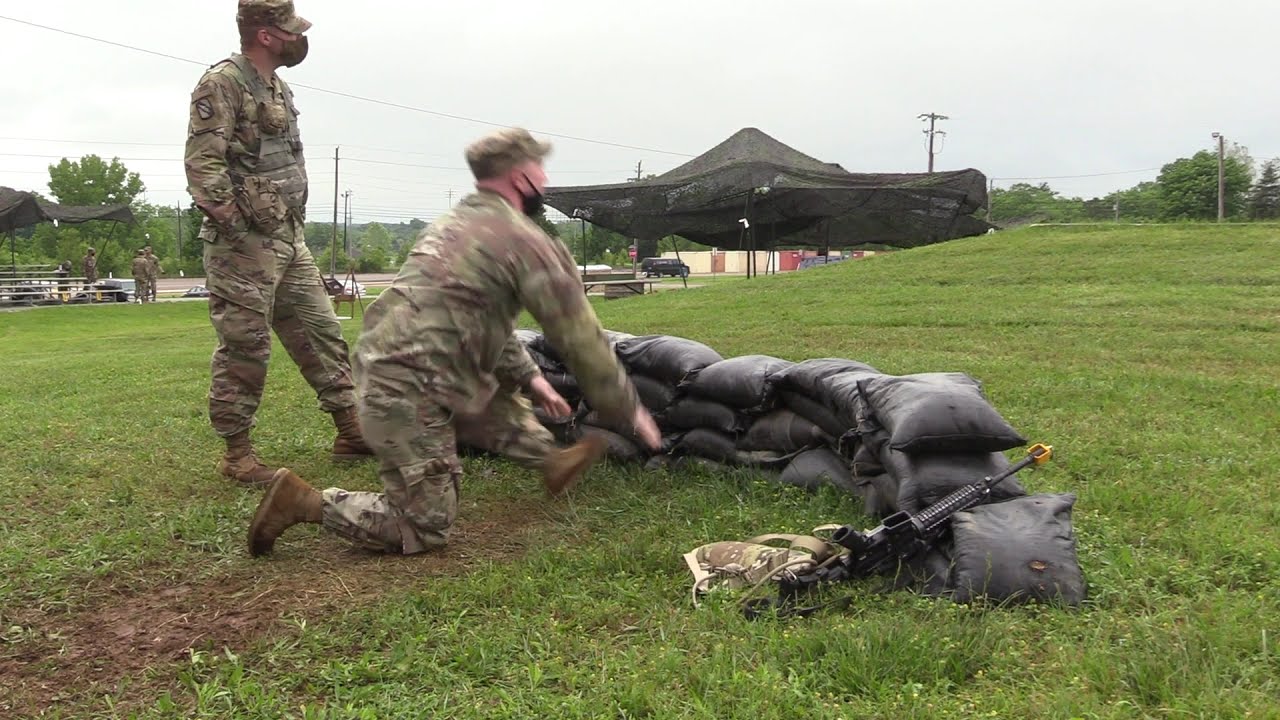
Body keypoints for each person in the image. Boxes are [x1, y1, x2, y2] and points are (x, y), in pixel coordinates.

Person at [247, 127, 662, 557]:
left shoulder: (451, 226)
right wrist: (628, 408)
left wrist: (532, 379)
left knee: (492, 398)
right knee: (423, 526)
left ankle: (550, 459)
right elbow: (580, 337)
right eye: (539, 169)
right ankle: (303, 502)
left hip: (397, 362)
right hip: (411, 386)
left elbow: (477, 320)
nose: (545, 179)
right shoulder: (526, 242)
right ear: (520, 177)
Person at [184, 0, 371, 486]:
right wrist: (236, 228)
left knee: (321, 332)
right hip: (244, 245)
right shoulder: (221, 83)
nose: (298, 39)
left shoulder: (277, 87)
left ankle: (351, 431)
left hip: (288, 237)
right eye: (290, 31)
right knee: (246, 346)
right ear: (265, 35)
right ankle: (238, 455)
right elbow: (203, 164)